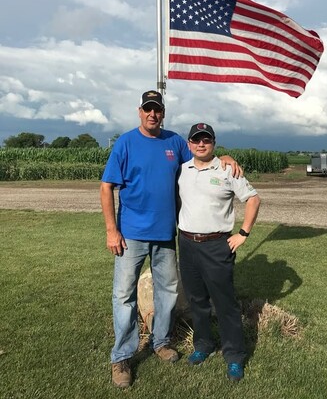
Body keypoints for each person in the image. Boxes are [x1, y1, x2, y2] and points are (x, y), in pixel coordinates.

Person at [100, 91, 241, 388]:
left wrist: (224, 156)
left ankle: (161, 342)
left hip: (165, 234)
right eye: (148, 109)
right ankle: (122, 356)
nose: (153, 114)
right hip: (131, 236)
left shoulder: (174, 141)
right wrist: (112, 230)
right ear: (140, 111)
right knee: (124, 295)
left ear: (163, 113)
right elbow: (106, 187)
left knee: (168, 292)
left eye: (158, 110)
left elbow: (202, 158)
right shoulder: (125, 142)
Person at [177, 122, 261, 382]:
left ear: (213, 143)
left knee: (225, 303)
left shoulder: (227, 169)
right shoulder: (182, 170)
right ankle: (203, 345)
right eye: (196, 140)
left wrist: (243, 233)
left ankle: (234, 355)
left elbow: (253, 199)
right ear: (189, 144)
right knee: (197, 300)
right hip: (187, 243)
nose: (201, 144)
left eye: (207, 140)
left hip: (217, 245)